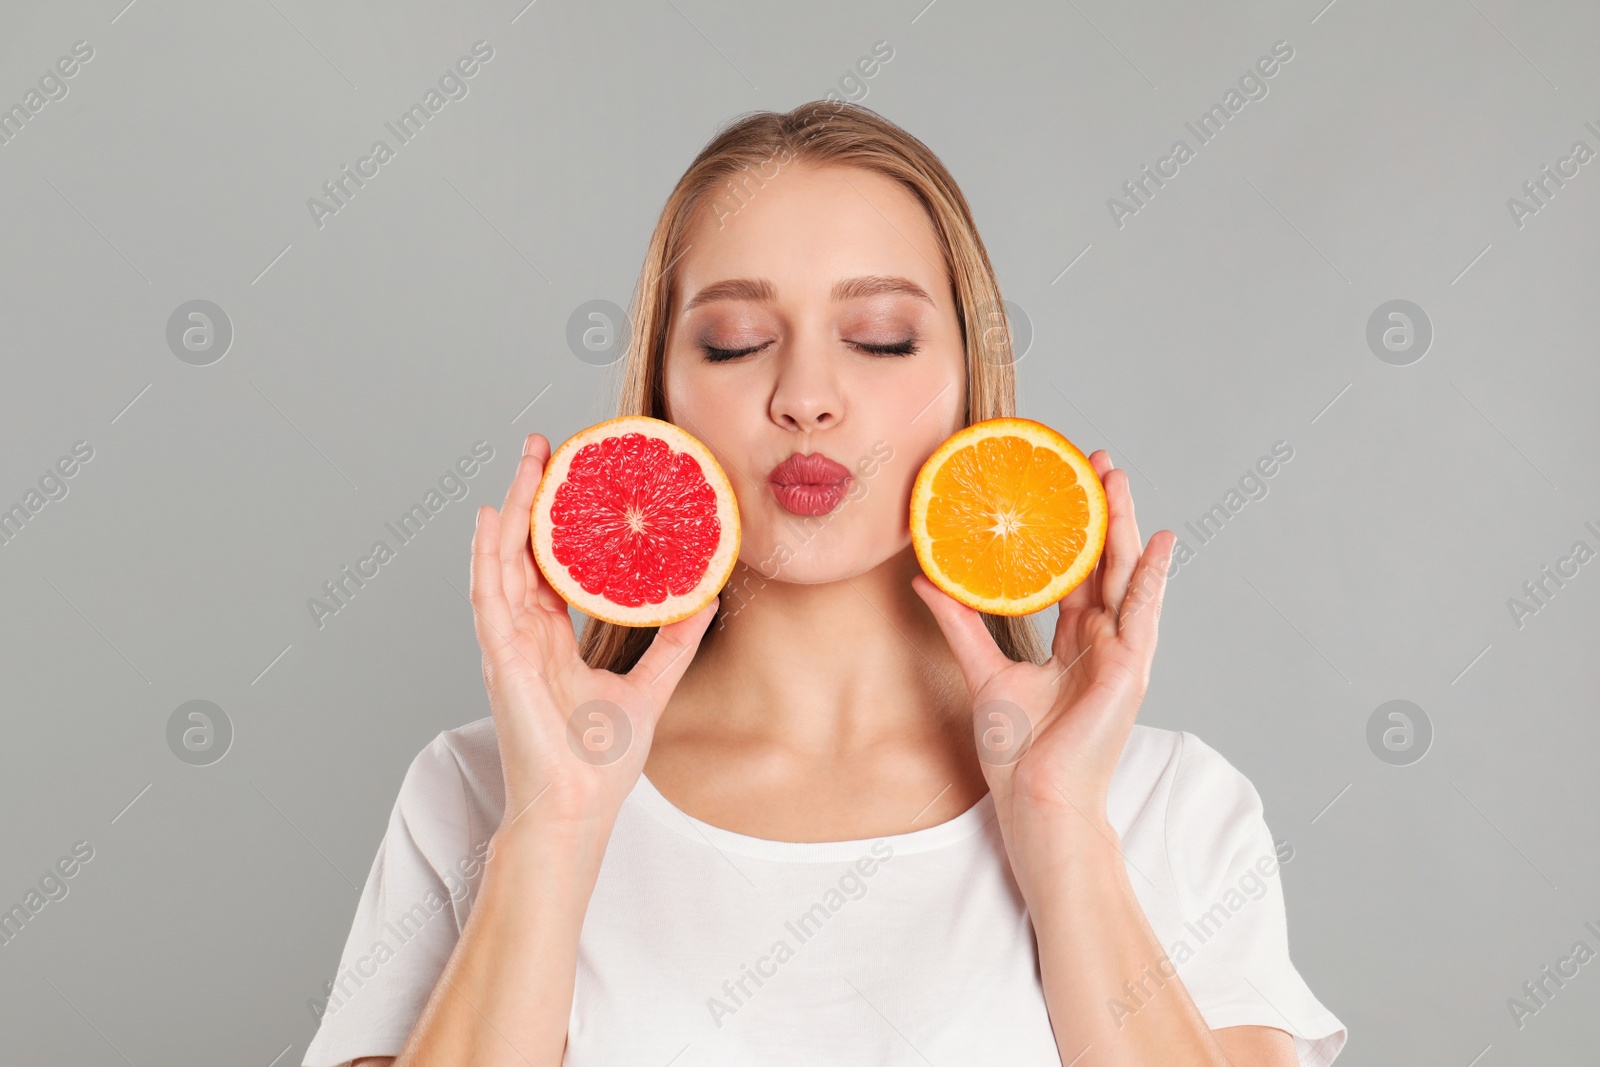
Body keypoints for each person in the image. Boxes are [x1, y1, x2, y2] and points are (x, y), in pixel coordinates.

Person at [302, 100, 1346, 1066]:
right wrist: (557, 819)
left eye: (881, 336)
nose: (804, 395)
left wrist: (1057, 816)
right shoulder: (480, 792)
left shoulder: (1165, 806)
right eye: (736, 341)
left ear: (969, 382)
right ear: (663, 393)